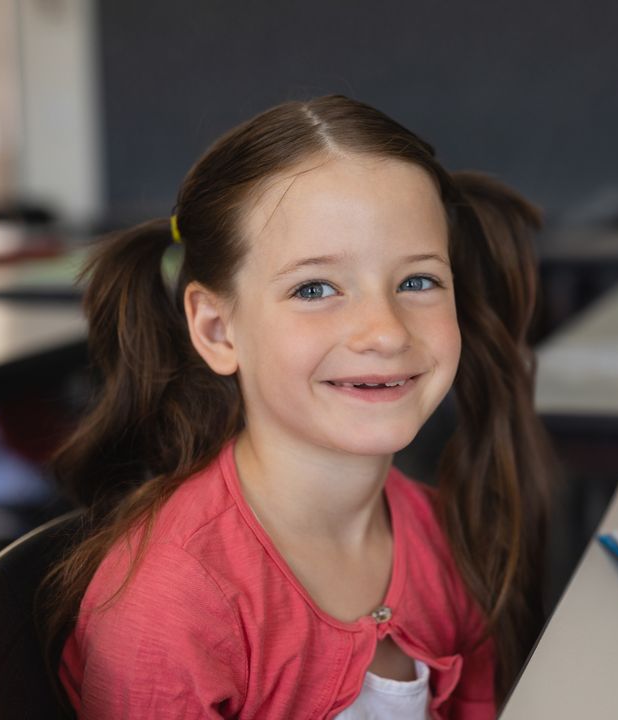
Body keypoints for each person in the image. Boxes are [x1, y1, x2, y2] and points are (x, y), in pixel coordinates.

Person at [41, 95, 554, 719]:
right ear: (217, 330)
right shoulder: (173, 600)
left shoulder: (446, 533)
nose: (385, 332)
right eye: (315, 288)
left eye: (418, 281)